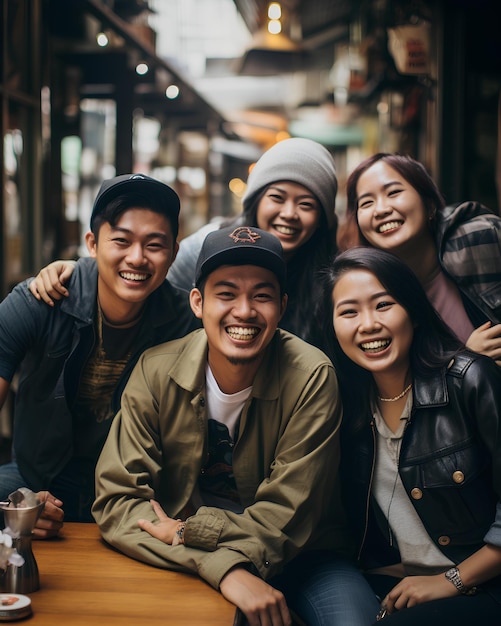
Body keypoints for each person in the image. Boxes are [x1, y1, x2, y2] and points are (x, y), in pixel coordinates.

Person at [91, 225, 357, 626]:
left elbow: (286, 517)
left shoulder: (311, 375)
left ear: (282, 306)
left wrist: (186, 534)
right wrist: (223, 569)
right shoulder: (155, 370)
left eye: (262, 296)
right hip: (181, 553)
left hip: (305, 557)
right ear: (197, 302)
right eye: (226, 294)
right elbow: (117, 501)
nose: (245, 311)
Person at [0, 174, 199, 536]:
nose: (136, 258)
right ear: (92, 243)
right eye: (121, 241)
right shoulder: (41, 300)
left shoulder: (186, 324)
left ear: (174, 251)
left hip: (135, 491)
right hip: (36, 476)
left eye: (154, 245)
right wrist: (18, 507)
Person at [324, 246, 501, 625]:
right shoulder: (347, 407)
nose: (368, 324)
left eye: (383, 305)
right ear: (333, 326)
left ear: (414, 313)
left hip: (483, 581)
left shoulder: (471, 380)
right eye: (349, 311)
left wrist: (450, 580)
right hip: (397, 582)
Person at [30, 138, 339, 351]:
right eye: (277, 197)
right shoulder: (208, 245)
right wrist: (83, 271)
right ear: (256, 201)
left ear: (323, 217)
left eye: (306, 204)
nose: (289, 214)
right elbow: (147, 281)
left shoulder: (331, 277)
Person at [337, 153, 501, 365]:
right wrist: (467, 360)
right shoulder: (368, 287)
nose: (381, 209)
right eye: (367, 203)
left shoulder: (479, 239)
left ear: (429, 204)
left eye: (393, 192)